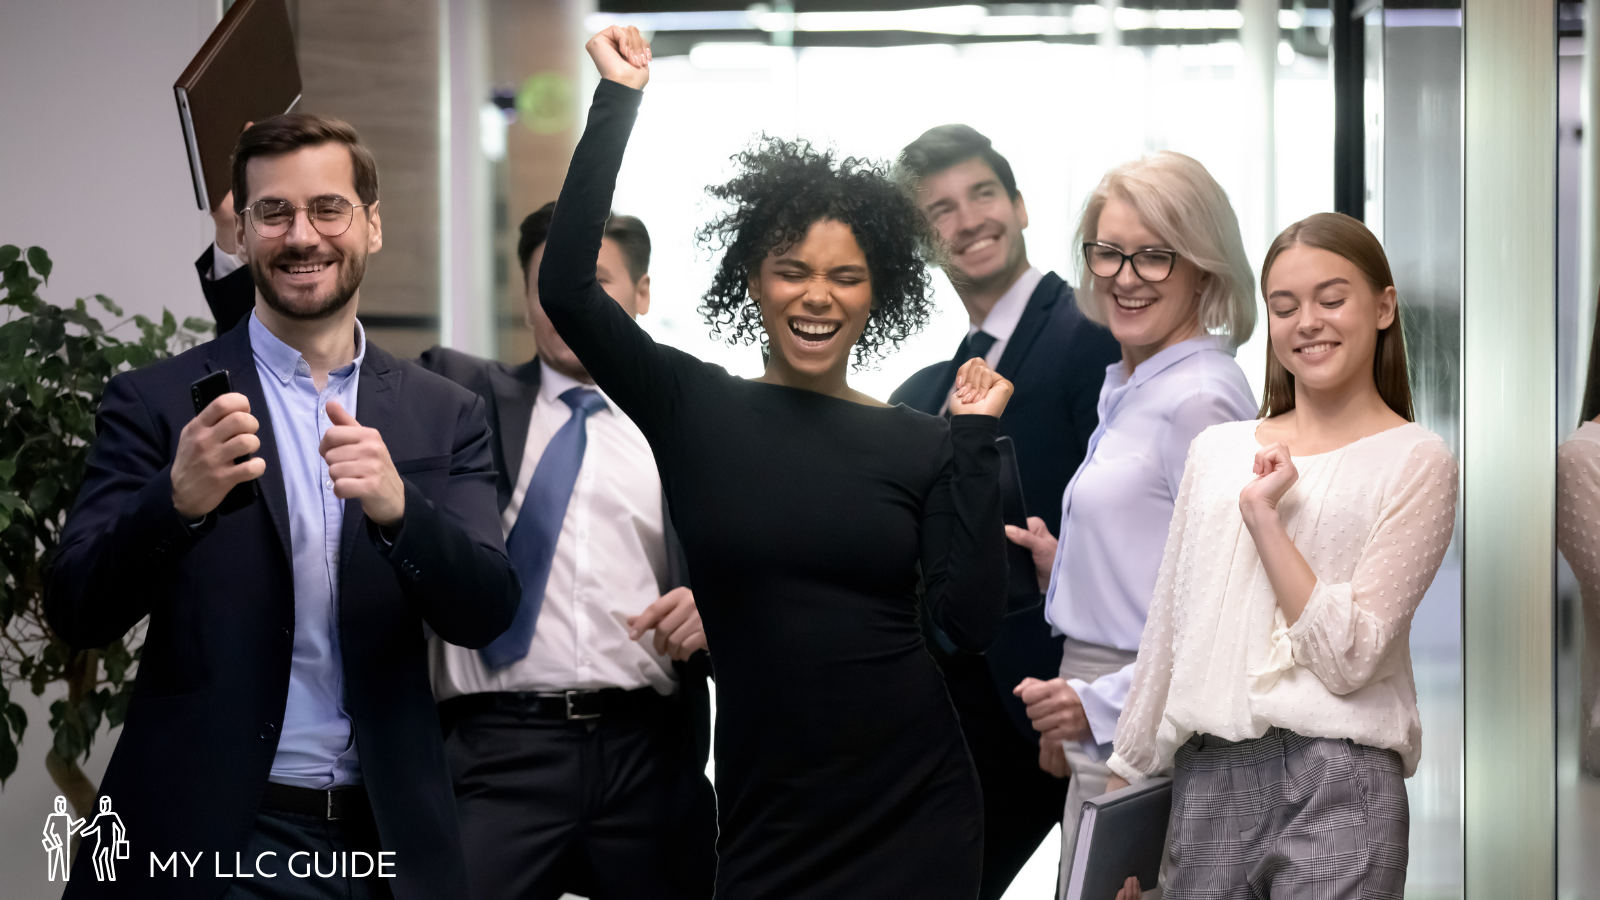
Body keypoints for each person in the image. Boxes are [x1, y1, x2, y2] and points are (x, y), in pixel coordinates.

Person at [541, 26, 1012, 898]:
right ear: (752, 280)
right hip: (768, 819)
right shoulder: (696, 406)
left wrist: (977, 443)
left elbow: (967, 627)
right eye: (792, 271)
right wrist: (619, 98)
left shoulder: (923, 441)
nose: (818, 296)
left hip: (916, 807)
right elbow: (567, 289)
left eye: (847, 276)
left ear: (879, 294)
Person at [46, 113, 519, 899]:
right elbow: (76, 607)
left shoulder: (447, 413)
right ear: (244, 231)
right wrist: (175, 502)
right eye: (274, 213)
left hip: (386, 844)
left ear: (371, 225)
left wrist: (403, 512)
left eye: (328, 208)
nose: (303, 235)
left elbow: (487, 609)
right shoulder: (158, 403)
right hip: (209, 844)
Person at [195, 199, 719, 899]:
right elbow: (303, 362)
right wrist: (237, 259)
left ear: (642, 293)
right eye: (547, 284)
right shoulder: (462, 395)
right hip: (495, 756)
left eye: (592, 282)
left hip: (647, 756)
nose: (568, 303)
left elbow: (755, 565)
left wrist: (718, 609)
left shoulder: (684, 432)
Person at [1106, 212, 1458, 898]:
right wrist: (1119, 805)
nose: (1308, 323)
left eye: (1333, 299)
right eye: (1285, 306)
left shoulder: (1417, 460)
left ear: (1383, 307)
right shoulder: (1216, 452)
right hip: (1204, 781)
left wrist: (1264, 517)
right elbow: (1165, 645)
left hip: (1341, 784)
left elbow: (1352, 656)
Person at [1003, 152, 1257, 892]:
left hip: (1147, 720)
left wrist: (1096, 704)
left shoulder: (1202, 398)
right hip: (1102, 709)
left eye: (1154, 255)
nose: (1124, 274)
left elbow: (1228, 615)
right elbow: (1161, 552)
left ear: (1203, 271)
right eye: (1108, 251)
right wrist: (1071, 562)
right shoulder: (1132, 385)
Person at [891, 125, 1120, 897]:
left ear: (1021, 207)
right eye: (940, 210)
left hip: (1081, 701)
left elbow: (1133, 534)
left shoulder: (1098, 336)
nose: (968, 220)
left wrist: (1079, 694)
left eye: (983, 194)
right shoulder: (932, 391)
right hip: (971, 719)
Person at [78, 796, 127, 883]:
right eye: (102, 805)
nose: (104, 806)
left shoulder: (113, 816)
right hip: (101, 842)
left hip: (110, 842)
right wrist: (83, 833)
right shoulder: (99, 817)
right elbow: (93, 828)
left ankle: (111, 876)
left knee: (108, 859)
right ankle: (101, 876)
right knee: (96, 857)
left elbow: (121, 829)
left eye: (106, 804)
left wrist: (120, 840)